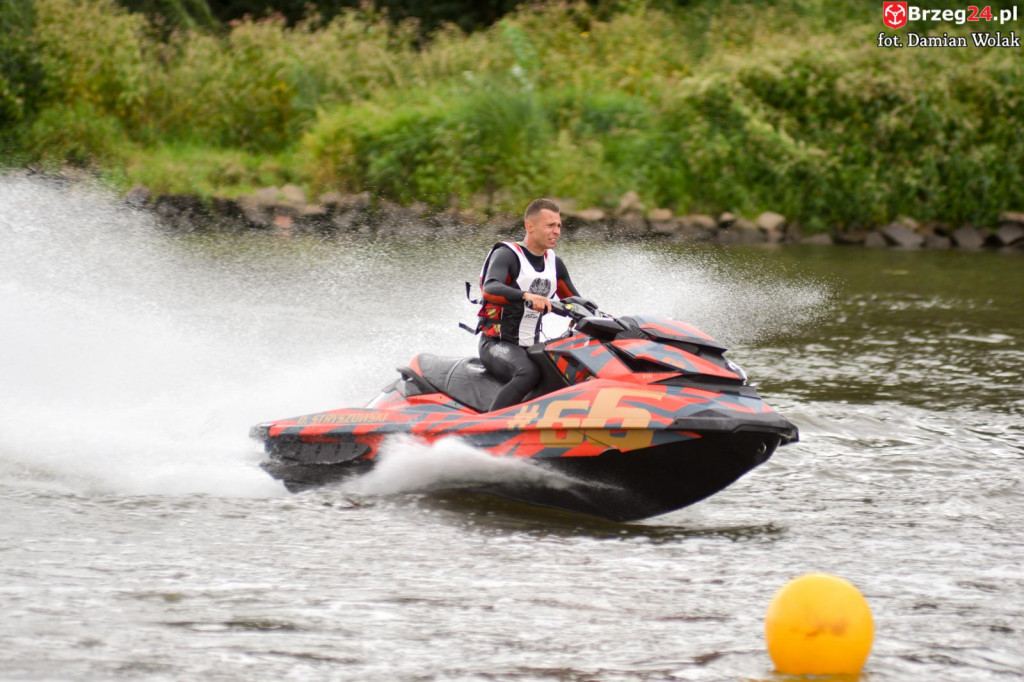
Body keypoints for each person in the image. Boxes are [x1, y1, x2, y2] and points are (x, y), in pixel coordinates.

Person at [476, 198, 582, 411]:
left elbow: (573, 301)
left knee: (565, 370)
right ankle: (490, 425)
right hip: (496, 344)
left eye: (559, 226)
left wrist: (606, 321)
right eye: (550, 225)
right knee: (528, 373)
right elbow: (490, 287)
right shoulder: (507, 255)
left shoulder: (555, 264)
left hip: (528, 347)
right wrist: (526, 296)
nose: (557, 231)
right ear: (530, 226)